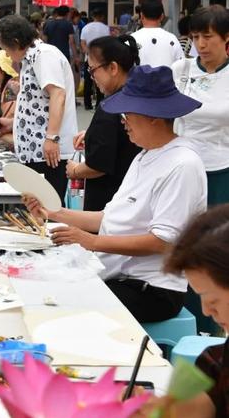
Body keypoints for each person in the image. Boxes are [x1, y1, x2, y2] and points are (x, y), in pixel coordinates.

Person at [24, 65, 207, 324]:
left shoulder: (182, 164)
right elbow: (109, 218)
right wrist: (55, 212)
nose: (123, 123)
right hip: (118, 275)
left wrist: (91, 241)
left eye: (127, 115)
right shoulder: (145, 155)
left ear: (152, 117)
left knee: (63, 309)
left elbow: (163, 241)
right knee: (41, 288)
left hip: (151, 288)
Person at [134, 204, 229, 418]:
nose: (206, 311)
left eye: (213, 300)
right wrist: (162, 410)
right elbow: (203, 405)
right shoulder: (219, 360)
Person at [172, 5, 229, 335]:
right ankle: (188, 322)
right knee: (184, 247)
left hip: (220, 170)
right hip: (182, 168)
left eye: (208, 36)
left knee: (214, 251)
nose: (201, 44)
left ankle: (214, 324)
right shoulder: (180, 69)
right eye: (195, 37)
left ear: (225, 39)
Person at [0, 15, 79, 201]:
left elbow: (58, 95)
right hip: (37, 150)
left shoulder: (44, 55)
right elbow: (37, 102)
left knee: (48, 208)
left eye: (6, 49)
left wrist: (51, 137)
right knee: (37, 207)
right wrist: (13, 122)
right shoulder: (31, 57)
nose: (7, 55)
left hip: (47, 152)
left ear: (16, 42)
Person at [67, 35, 142, 211]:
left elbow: (98, 166)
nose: (92, 77)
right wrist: (92, 134)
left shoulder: (111, 106)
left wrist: (75, 170)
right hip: (134, 194)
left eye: (93, 70)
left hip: (110, 198)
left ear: (113, 67)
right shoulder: (137, 96)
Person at [132, 0, 183, 68]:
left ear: (141, 16)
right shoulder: (172, 39)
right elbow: (181, 67)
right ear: (162, 17)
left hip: (138, 79)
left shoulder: (132, 39)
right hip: (167, 78)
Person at [80, 8, 110, 111]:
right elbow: (107, 43)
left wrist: (89, 53)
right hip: (102, 58)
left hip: (89, 58)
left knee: (88, 81)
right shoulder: (105, 28)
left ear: (93, 16)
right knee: (100, 80)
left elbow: (83, 44)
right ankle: (99, 104)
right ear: (102, 16)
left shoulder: (86, 28)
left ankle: (87, 104)